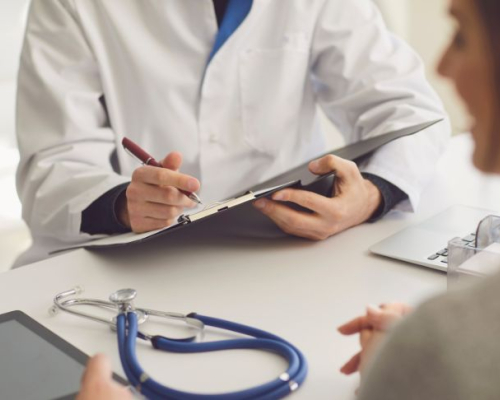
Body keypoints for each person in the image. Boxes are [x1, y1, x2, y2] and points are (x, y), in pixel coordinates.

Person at [15, 0, 449, 266]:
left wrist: (369, 195)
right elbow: (52, 163)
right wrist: (123, 205)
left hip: (288, 250)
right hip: (129, 260)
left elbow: (408, 109)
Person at [338, 0, 500, 398]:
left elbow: (410, 107)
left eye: (462, 36)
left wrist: (407, 364)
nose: (441, 67)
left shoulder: (445, 347)